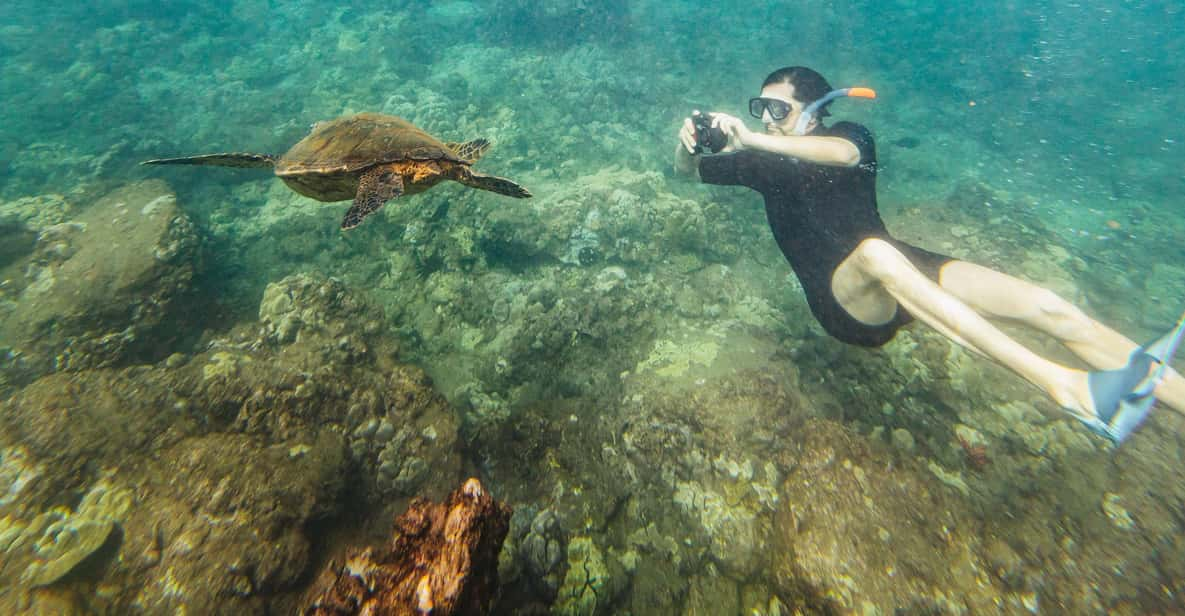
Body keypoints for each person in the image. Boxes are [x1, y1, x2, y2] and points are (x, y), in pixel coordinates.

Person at [674, 65, 1185, 444]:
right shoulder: (760, 165)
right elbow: (687, 173)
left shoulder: (850, 137)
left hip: (903, 271)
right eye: (758, 110)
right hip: (847, 305)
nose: (765, 120)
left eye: (777, 110)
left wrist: (752, 141)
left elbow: (838, 156)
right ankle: (1066, 388)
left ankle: (1165, 390)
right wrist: (688, 143)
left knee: (1048, 306)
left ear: (813, 111)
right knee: (875, 254)